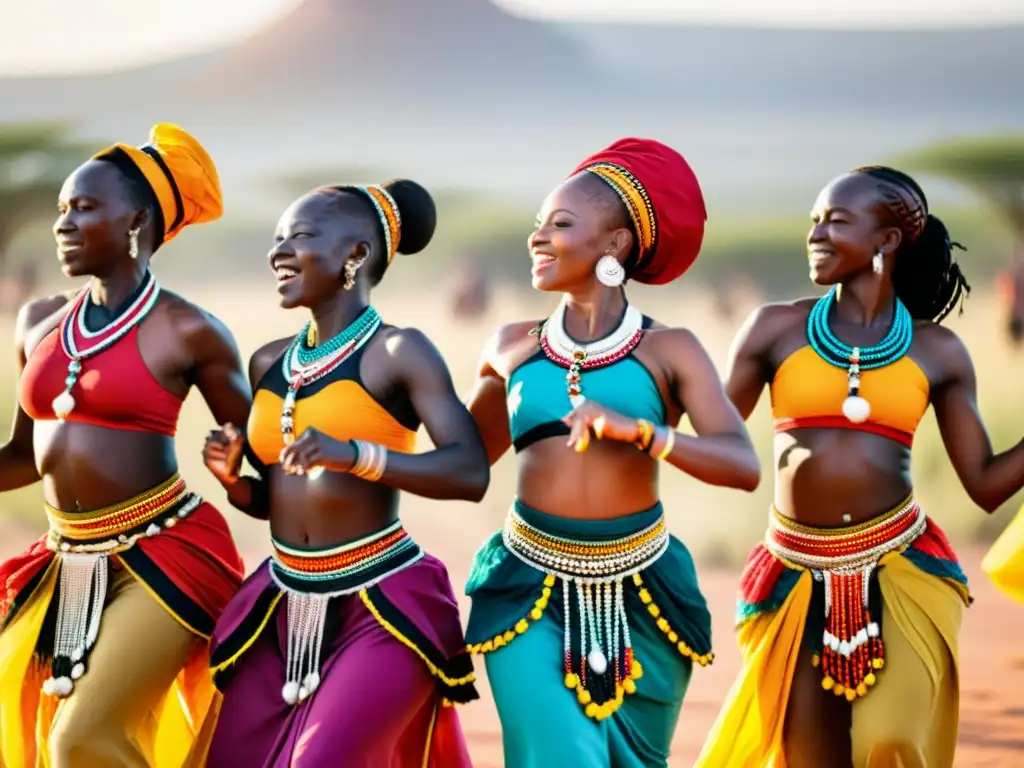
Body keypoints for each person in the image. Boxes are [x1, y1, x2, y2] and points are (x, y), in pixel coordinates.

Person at [695, 166, 1024, 768]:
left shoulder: (938, 350)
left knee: (888, 742)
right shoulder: (775, 329)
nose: (816, 234)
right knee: (807, 759)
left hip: (904, 570)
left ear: (887, 240)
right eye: (814, 221)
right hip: (792, 575)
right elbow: (715, 433)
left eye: (836, 222)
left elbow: (985, 483)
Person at [463, 137, 761, 768]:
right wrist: (359, 450)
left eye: (560, 224)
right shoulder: (510, 346)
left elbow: (742, 464)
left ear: (615, 246)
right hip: (527, 592)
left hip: (647, 595)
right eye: (537, 226)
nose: (537, 239)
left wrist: (645, 433)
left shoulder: (670, 350)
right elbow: (463, 465)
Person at [196, 179, 488, 767]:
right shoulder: (268, 361)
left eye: (300, 237)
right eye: (277, 238)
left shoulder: (400, 351)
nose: (278, 252)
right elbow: (275, 499)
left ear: (355, 255)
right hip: (282, 600)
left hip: (380, 601)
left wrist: (358, 455)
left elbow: (469, 470)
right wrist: (234, 481)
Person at [0, 124, 248, 767]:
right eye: (61, 209)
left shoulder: (191, 332)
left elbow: (265, 457)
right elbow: (24, 458)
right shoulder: (39, 322)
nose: (64, 223)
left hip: (164, 556)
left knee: (79, 739)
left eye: (84, 207)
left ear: (137, 220)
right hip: (64, 558)